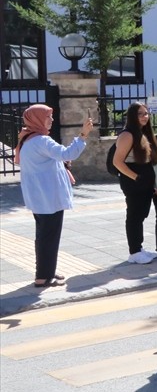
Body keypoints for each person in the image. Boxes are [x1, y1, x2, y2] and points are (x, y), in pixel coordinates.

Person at [16, 105, 94, 287]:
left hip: (40, 197)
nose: (51, 120)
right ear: (37, 119)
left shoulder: (28, 139)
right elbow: (68, 153)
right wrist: (83, 134)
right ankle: (43, 276)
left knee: (44, 236)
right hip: (48, 197)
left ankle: (46, 271)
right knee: (49, 237)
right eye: (48, 117)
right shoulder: (41, 141)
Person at [111, 102, 157, 264]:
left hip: (144, 181)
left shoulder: (142, 133)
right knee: (134, 215)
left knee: (141, 214)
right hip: (134, 181)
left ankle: (138, 248)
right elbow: (118, 162)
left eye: (146, 113)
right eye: (140, 114)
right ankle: (134, 252)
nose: (145, 116)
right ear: (132, 116)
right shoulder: (127, 135)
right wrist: (136, 178)